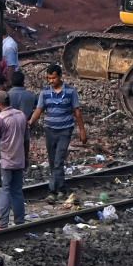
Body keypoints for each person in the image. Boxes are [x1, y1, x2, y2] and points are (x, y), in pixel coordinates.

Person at [38, 64, 89, 194]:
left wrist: (82, 130)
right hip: (50, 130)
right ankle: (60, 188)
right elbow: (39, 109)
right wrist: (30, 122)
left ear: (60, 77)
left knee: (58, 160)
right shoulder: (44, 92)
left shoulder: (71, 92)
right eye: (49, 78)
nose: (51, 81)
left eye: (53, 78)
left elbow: (77, 112)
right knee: (52, 161)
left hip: (65, 130)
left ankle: (54, 190)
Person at [0, 91, 29, 228]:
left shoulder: (0, 119)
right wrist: (26, 157)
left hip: (5, 160)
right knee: (17, 191)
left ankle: (2, 223)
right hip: (19, 159)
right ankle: (19, 220)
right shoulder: (21, 115)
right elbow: (26, 139)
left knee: (3, 190)